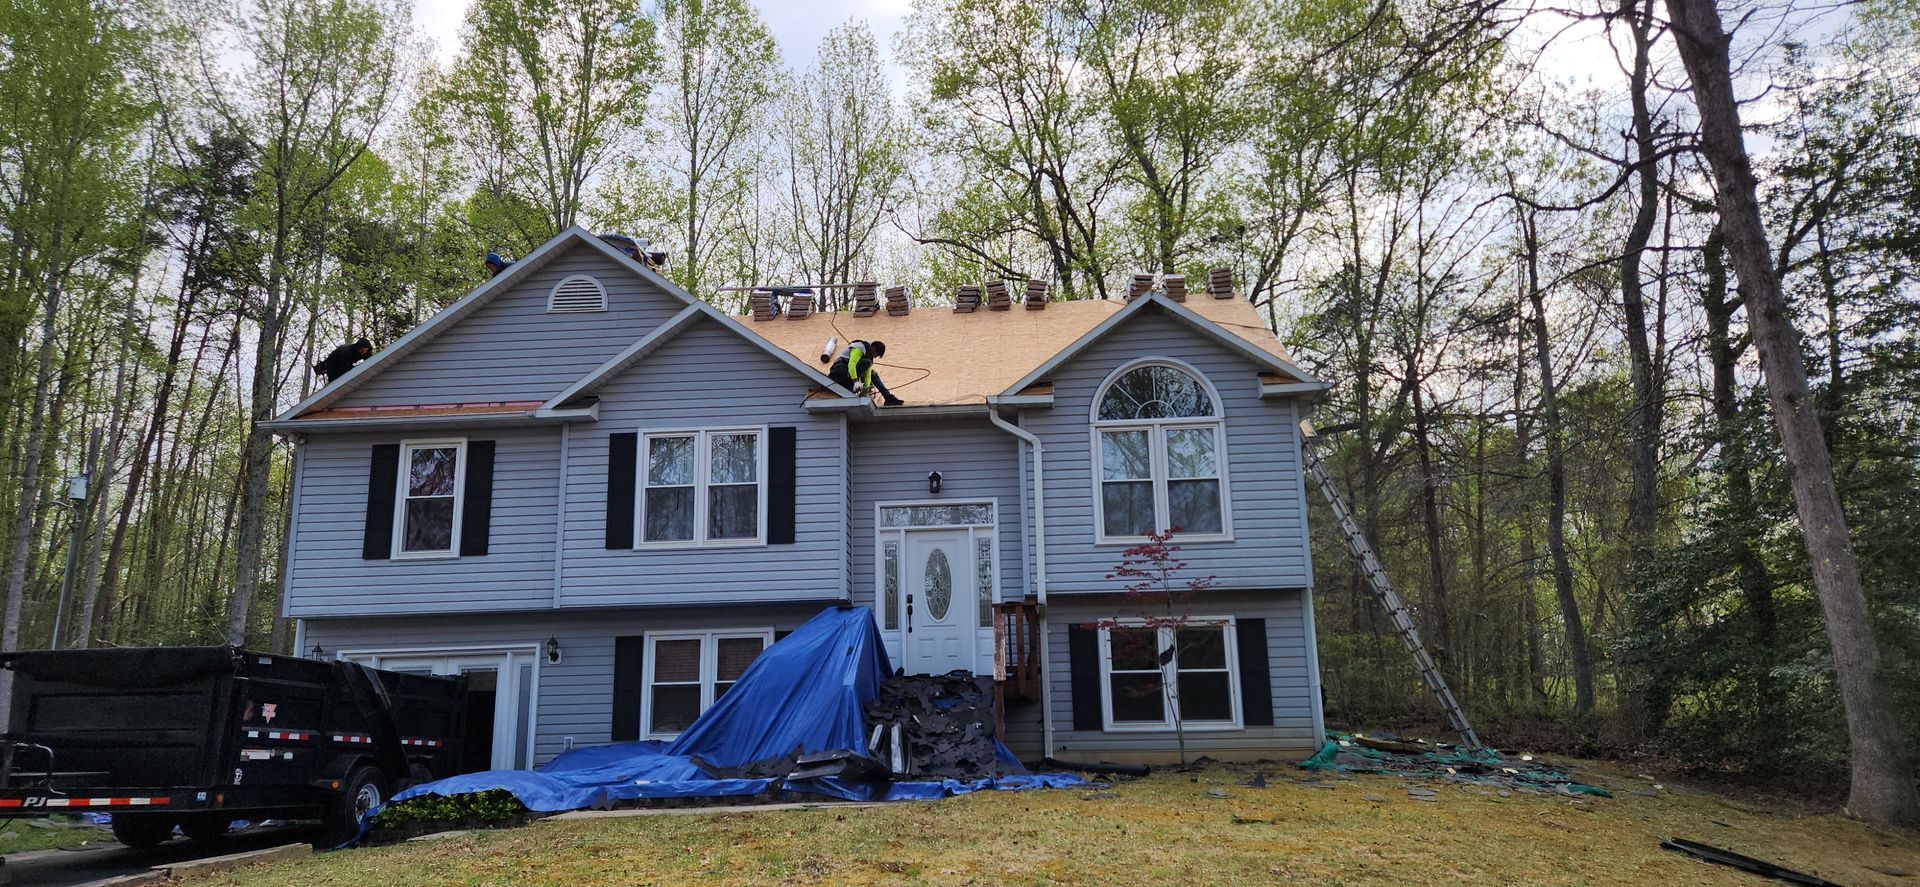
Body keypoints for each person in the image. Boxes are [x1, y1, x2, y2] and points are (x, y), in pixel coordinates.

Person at [829, 339, 903, 406]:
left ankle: (888, 397)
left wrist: (865, 390)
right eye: (876, 355)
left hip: (848, 374)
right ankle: (850, 383)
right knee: (867, 362)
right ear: (873, 349)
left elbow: (868, 375)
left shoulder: (869, 357)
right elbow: (852, 364)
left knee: (873, 373)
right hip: (839, 371)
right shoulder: (859, 348)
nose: (875, 357)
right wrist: (855, 381)